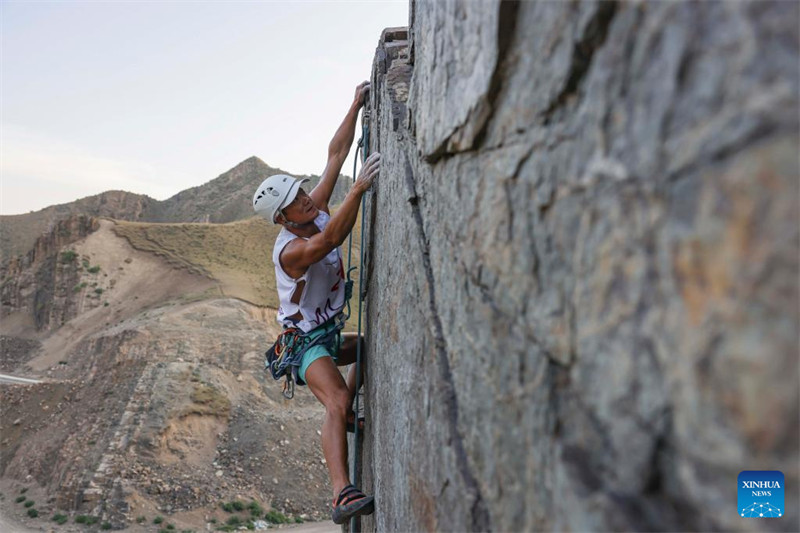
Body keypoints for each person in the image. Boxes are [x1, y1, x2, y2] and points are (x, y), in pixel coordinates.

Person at [252, 81, 380, 525]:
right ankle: (341, 494)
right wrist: (359, 190)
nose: (306, 198)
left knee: (363, 345)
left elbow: (335, 155)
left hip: (324, 333)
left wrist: (355, 103)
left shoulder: (315, 206)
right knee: (337, 398)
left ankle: (344, 418)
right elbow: (331, 239)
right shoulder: (291, 252)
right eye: (295, 202)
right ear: (283, 219)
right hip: (304, 344)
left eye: (301, 192)